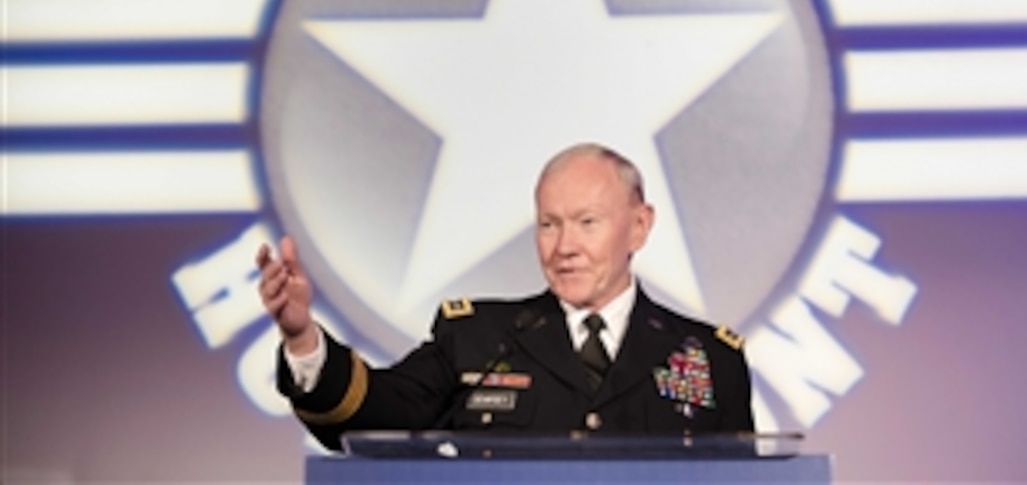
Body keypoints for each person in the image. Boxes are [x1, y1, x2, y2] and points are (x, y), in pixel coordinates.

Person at [257, 143, 754, 450]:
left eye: (587, 223)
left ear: (639, 226)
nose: (565, 248)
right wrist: (302, 340)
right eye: (548, 224)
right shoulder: (475, 340)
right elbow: (378, 415)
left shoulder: (711, 359)